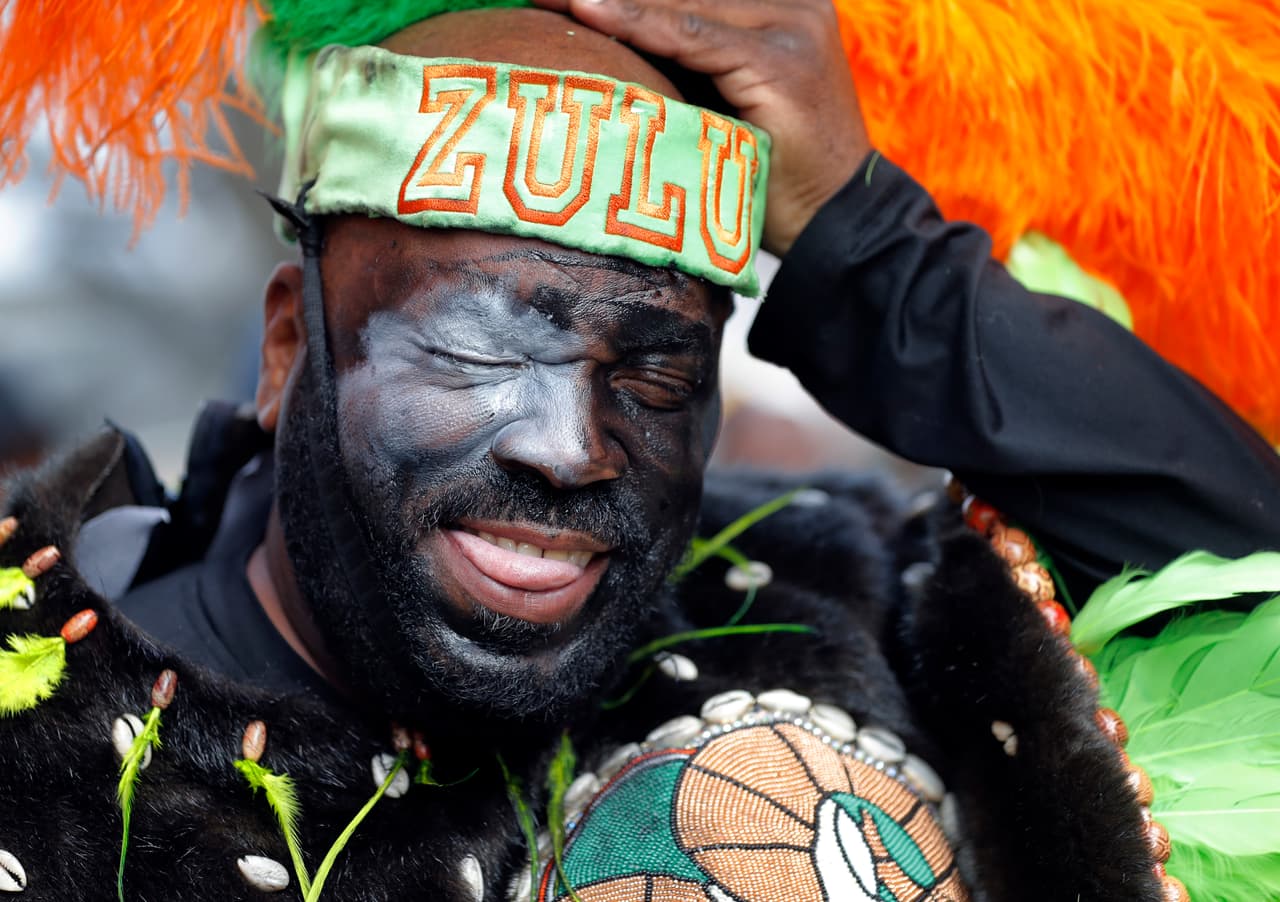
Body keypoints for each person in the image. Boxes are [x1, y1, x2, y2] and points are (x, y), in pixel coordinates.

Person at [1, 2, 1277, 900]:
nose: (571, 448)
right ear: (289, 347)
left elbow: (1239, 581)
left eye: (654, 371)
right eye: (479, 348)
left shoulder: (821, 585)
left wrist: (868, 248)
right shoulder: (38, 738)